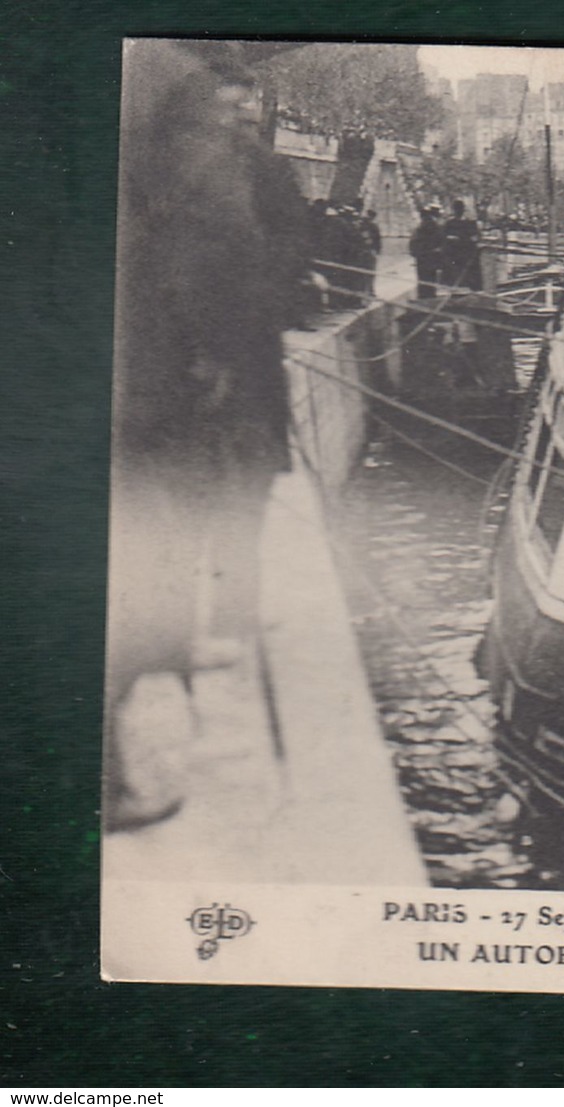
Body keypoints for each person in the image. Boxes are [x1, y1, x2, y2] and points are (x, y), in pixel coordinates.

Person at [109, 39, 310, 829]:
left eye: (246, 104)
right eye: (230, 103)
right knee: (167, 524)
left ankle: (210, 629)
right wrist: (216, 345)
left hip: (173, 363)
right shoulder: (177, 100)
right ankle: (152, 688)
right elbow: (213, 242)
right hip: (181, 369)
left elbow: (283, 241)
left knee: (230, 495)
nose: (239, 115)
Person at [441, 199, 483, 291]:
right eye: (456, 209)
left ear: (462, 210)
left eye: (459, 209)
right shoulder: (449, 223)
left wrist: (467, 240)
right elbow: (443, 237)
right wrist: (450, 239)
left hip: (467, 253)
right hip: (454, 255)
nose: (457, 211)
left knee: (469, 276)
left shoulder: (470, 223)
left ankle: (472, 291)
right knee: (454, 277)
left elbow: (476, 237)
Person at [409, 205, 444, 299]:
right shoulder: (435, 226)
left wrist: (415, 253)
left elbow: (413, 242)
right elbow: (440, 240)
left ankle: (423, 297)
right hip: (431, 256)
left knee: (422, 278)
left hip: (422, 257)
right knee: (431, 279)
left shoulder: (419, 227)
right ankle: (430, 296)